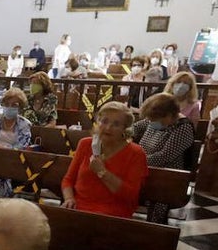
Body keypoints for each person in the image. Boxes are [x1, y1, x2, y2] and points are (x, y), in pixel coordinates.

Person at [60, 101, 148, 218]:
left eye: (116, 124)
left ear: (125, 129)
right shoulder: (85, 144)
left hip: (113, 213)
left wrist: (102, 172)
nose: (108, 128)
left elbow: (130, 195)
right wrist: (69, 199)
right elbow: (68, 180)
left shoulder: (136, 153)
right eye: (104, 121)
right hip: (78, 208)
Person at [132, 93, 196, 223]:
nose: (151, 122)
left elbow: (164, 156)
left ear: (169, 115)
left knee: (157, 204)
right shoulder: (155, 119)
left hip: (166, 178)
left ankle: (155, 232)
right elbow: (135, 127)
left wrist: (135, 161)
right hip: (145, 170)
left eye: (154, 120)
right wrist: (123, 134)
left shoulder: (183, 128)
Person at [0, 88, 33, 197]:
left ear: (20, 107)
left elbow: (22, 146)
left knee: (3, 174)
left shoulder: (24, 124)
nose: (10, 107)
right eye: (7, 104)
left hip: (13, 162)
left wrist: (4, 148)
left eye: (14, 105)